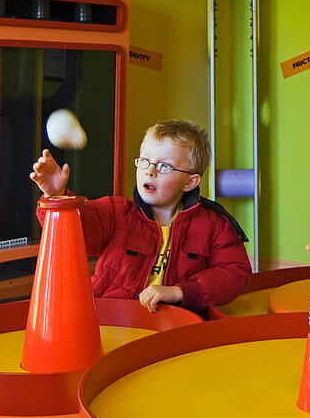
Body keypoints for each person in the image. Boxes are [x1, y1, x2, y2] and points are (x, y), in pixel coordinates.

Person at [31, 118, 252, 315]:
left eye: (164, 166)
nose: (150, 171)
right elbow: (75, 235)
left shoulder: (214, 223)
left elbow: (235, 274)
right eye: (145, 161)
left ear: (190, 182)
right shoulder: (117, 211)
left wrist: (181, 292)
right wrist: (56, 196)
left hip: (175, 322)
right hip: (112, 318)